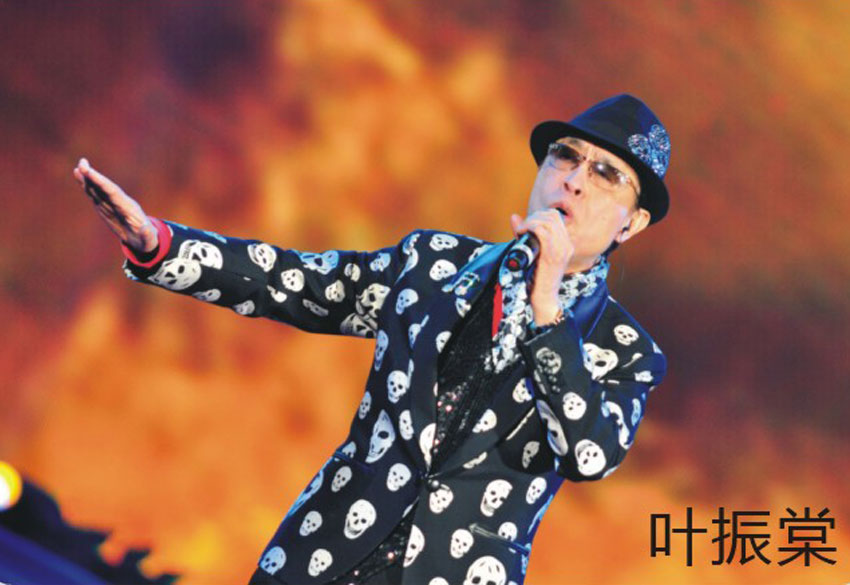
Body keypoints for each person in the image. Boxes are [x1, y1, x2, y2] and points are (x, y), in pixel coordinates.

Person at [74, 94, 670, 585]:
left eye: (606, 174)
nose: (575, 181)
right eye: (565, 157)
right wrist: (160, 245)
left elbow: (590, 453)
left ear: (633, 222)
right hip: (322, 558)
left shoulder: (627, 352)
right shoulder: (431, 265)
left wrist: (547, 309)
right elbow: (297, 283)